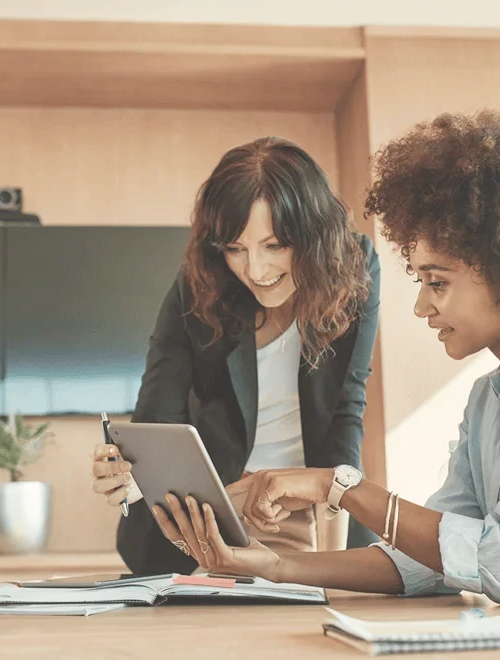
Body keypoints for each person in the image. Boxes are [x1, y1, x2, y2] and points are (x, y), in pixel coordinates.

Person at [155, 107, 500, 612]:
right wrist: (275, 567)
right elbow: (431, 562)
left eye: (437, 283)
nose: (421, 306)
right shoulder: (489, 401)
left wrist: (336, 486)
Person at [90, 136, 382, 575]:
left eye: (275, 245)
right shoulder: (200, 284)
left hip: (311, 508)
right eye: (235, 248)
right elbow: (158, 416)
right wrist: (131, 474)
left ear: (315, 235)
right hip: (210, 514)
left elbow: (346, 407)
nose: (256, 271)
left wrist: (337, 535)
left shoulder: (353, 268)